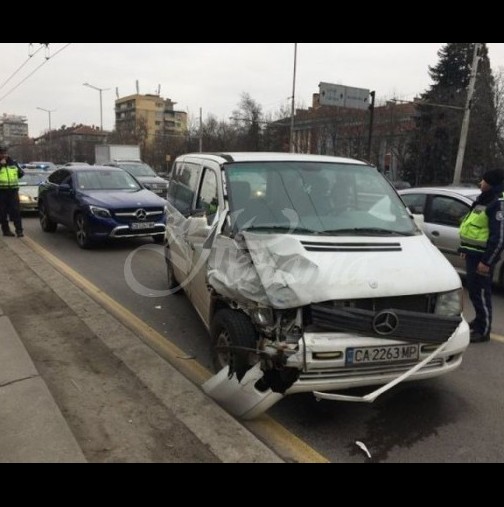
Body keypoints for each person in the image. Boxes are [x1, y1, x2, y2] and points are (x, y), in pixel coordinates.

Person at [459, 169, 504, 343]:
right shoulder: (482, 199)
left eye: (483, 180)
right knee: (475, 292)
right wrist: (465, 248)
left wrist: (487, 262)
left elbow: (499, 238)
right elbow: (472, 227)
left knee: (482, 293)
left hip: (482, 259)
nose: (480, 183)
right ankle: (478, 322)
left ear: (491, 183)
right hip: (473, 255)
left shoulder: (497, 203)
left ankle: (483, 330)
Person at [0, 146, 24, 238]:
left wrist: (19, 172)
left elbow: (21, 173)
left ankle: (19, 231)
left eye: (5, 153)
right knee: (2, 213)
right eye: (2, 154)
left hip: (13, 191)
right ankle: (6, 230)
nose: (4, 155)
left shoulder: (13, 163)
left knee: (16, 211)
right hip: (1, 192)